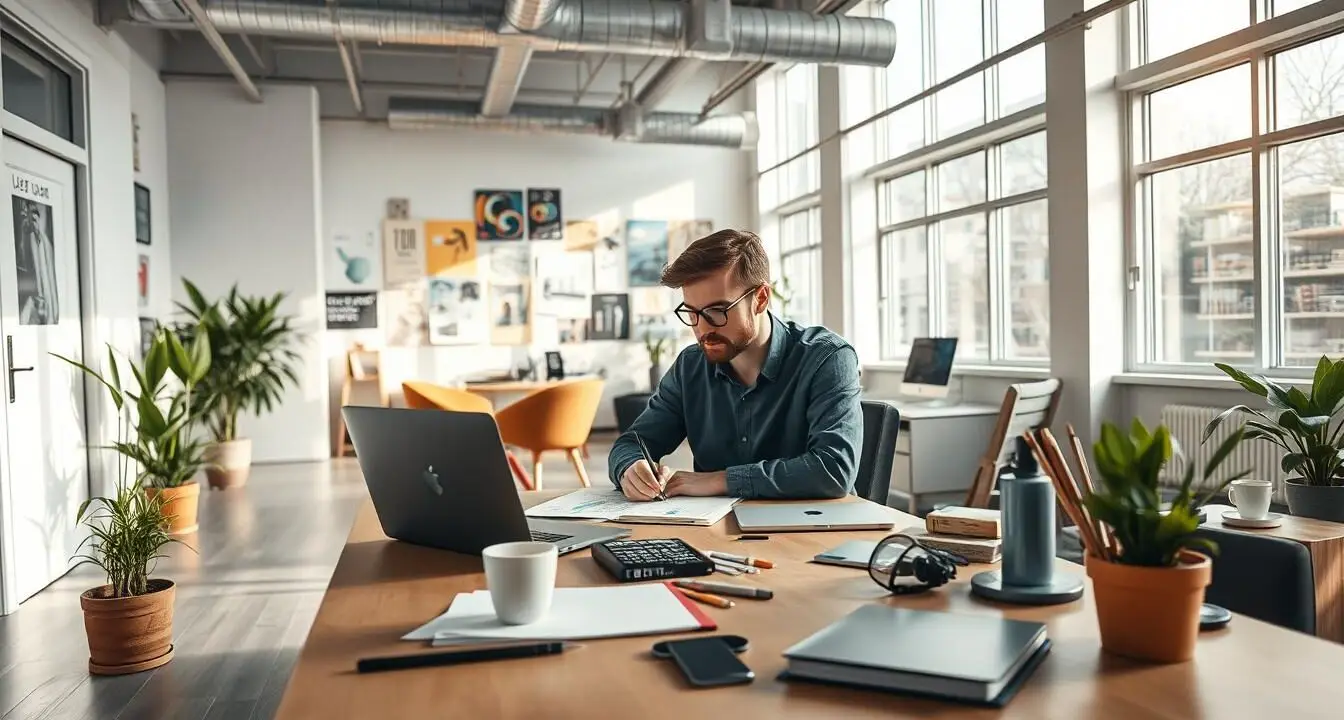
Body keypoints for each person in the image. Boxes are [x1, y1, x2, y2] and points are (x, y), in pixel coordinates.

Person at [608, 229, 862, 501]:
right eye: (692, 312)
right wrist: (630, 468)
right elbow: (633, 443)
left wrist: (719, 480)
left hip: (814, 523)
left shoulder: (827, 358)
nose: (703, 328)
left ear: (761, 298)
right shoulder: (689, 367)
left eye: (717, 311)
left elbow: (834, 469)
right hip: (716, 525)